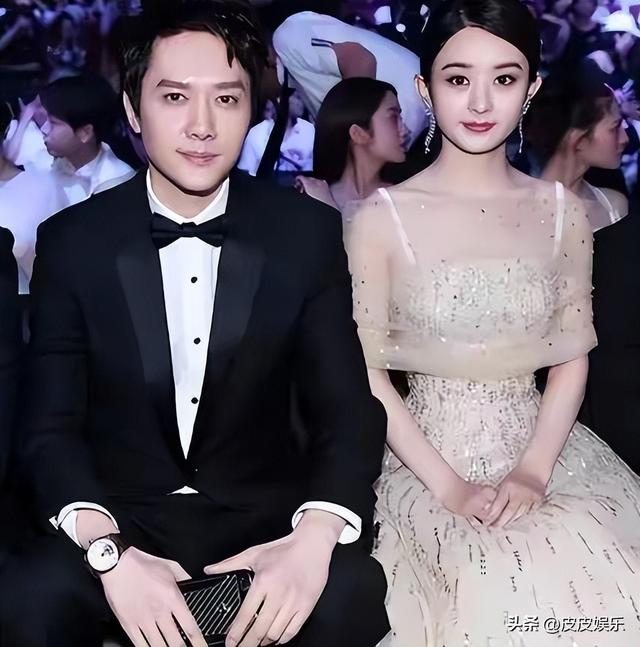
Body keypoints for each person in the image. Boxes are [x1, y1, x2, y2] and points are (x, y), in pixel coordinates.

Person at [0, 2, 389, 647]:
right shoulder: (74, 241)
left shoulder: (304, 233)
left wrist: (313, 537)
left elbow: (346, 410)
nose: (202, 126)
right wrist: (108, 553)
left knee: (351, 596)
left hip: (261, 522)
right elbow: (48, 427)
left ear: (252, 109)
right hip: (118, 521)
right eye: (175, 97)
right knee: (28, 601)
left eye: (227, 99)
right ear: (133, 111)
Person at [343, 0, 640, 644]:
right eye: (458, 79)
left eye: (504, 78)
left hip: (549, 453)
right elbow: (366, 374)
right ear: (425, 89)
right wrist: (449, 488)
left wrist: (533, 469)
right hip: (426, 462)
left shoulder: (562, 213)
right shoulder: (381, 218)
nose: (480, 101)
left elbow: (572, 358)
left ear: (530, 89)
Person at [527, 69, 640, 474]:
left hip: (618, 391)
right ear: (578, 138)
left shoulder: (614, 205)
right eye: (614, 127)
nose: (625, 137)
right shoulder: (521, 212)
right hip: (546, 391)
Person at [264, 10, 427, 148]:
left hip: (411, 97)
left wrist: (366, 135)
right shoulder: (299, 85)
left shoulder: (288, 36)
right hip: (411, 118)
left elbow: (360, 60)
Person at [295, 77, 407, 212]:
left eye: (400, 117)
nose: (405, 130)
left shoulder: (405, 197)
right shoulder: (313, 196)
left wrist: (329, 209)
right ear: (357, 133)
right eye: (393, 118)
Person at [39, 73, 135, 213]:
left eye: (53, 123)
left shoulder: (117, 182)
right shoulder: (43, 163)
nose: (44, 129)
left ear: (85, 133)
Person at [237, 90, 315, 175]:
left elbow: (310, 172)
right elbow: (244, 173)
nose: (302, 103)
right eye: (298, 97)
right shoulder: (258, 132)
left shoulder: (309, 130)